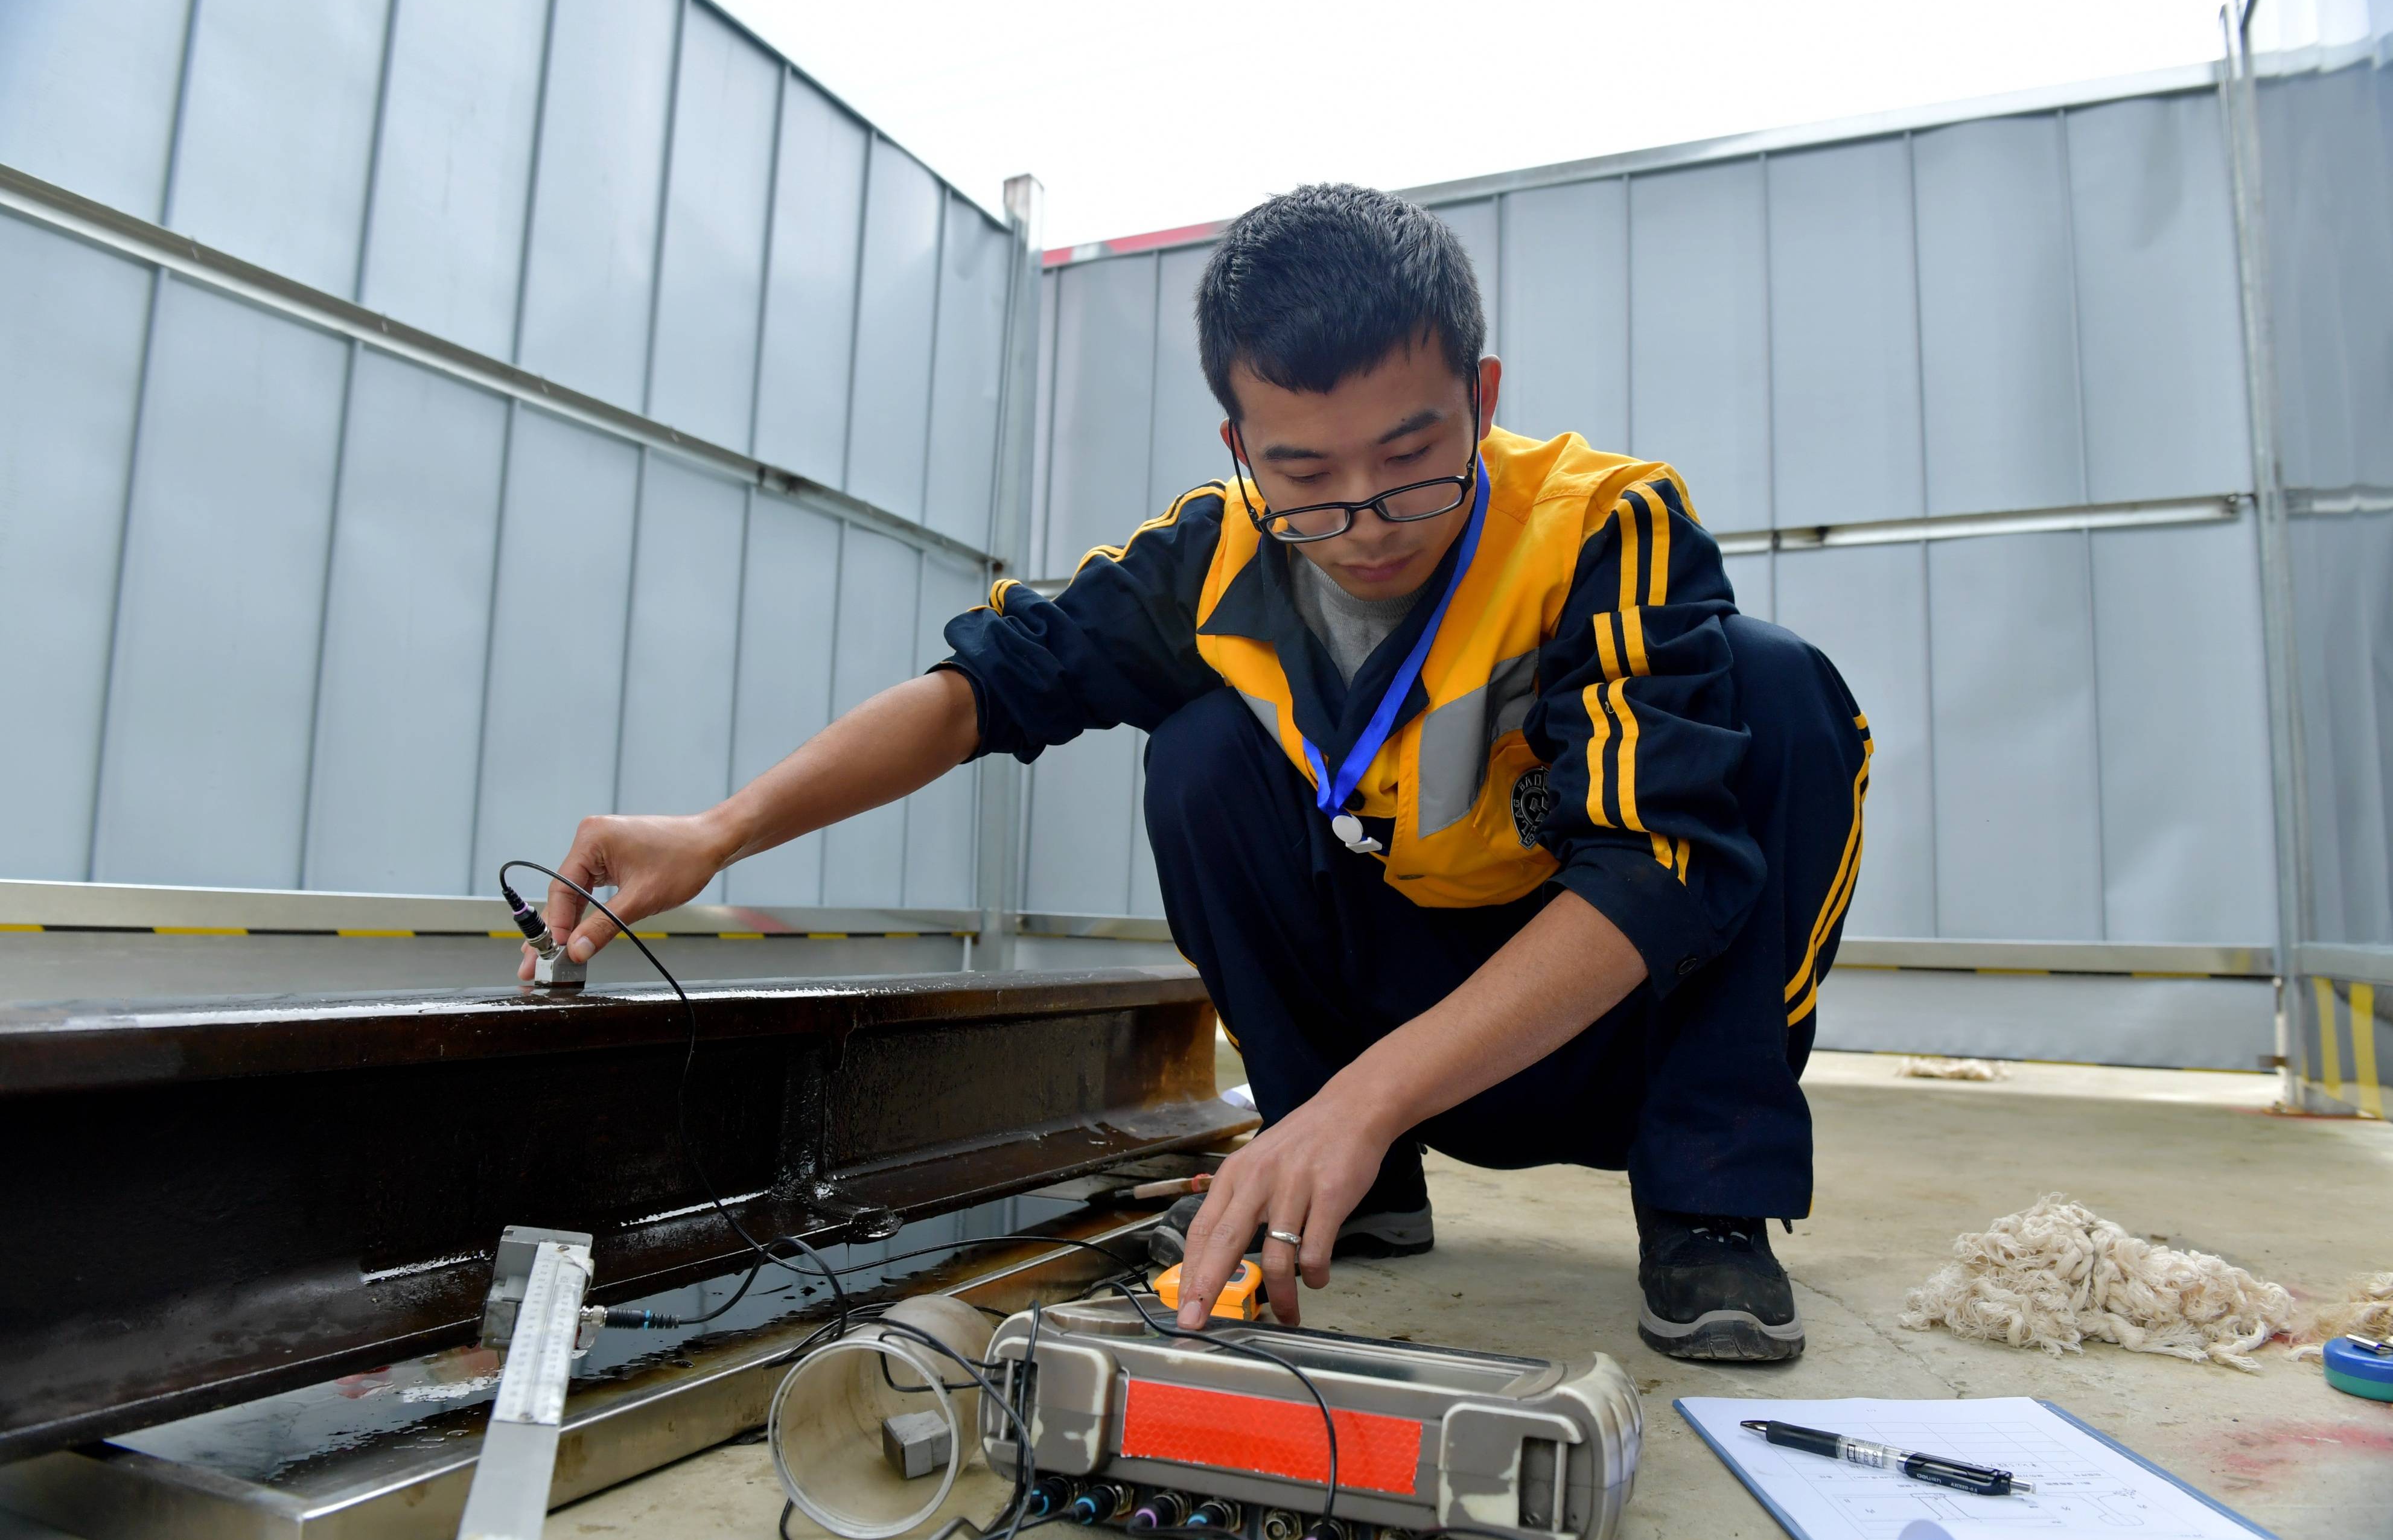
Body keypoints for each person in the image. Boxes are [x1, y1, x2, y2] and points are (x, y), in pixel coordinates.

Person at [523, 183, 1869, 1363]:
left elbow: (1653, 868)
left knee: (1779, 688)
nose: (1365, 526)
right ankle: (1360, 1181)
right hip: (1390, 1010)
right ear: (1240, 447)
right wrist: (721, 828)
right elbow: (981, 691)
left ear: (1486, 398)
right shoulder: (1215, 557)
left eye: (1413, 462)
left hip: (1608, 1026)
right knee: (1204, 748)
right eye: (1306, 476)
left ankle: (1708, 1195)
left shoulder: (1603, 528)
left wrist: (1367, 1091)